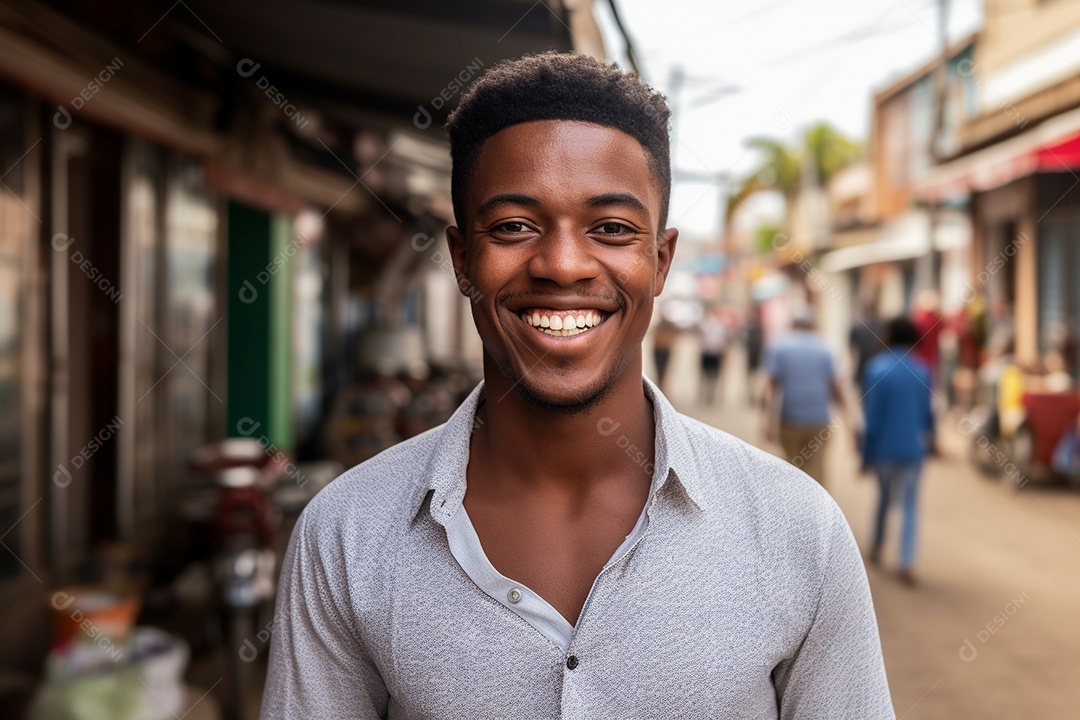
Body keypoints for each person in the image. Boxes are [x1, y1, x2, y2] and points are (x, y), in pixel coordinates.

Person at [260, 53, 893, 719]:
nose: (562, 264)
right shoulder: (345, 536)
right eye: (513, 226)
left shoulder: (799, 532)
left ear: (661, 259)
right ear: (462, 258)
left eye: (612, 229)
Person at [861, 317, 935, 587]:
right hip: (913, 449)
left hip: (883, 449)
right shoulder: (924, 369)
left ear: (889, 336)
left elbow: (872, 419)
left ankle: (878, 546)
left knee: (883, 499)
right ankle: (907, 561)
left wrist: (865, 455)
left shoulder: (875, 369)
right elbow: (928, 415)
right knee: (909, 505)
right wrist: (932, 440)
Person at [763, 311, 844, 485]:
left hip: (789, 420)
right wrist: (848, 418)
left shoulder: (779, 347)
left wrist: (768, 423)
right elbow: (836, 386)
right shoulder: (825, 348)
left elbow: (770, 389)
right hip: (819, 421)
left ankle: (794, 508)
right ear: (813, 326)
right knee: (817, 471)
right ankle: (817, 509)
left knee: (792, 469)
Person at [697, 306, 729, 404]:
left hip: (714, 352)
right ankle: (707, 393)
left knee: (711, 374)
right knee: (709, 374)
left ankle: (709, 393)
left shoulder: (719, 325)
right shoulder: (711, 324)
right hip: (709, 352)